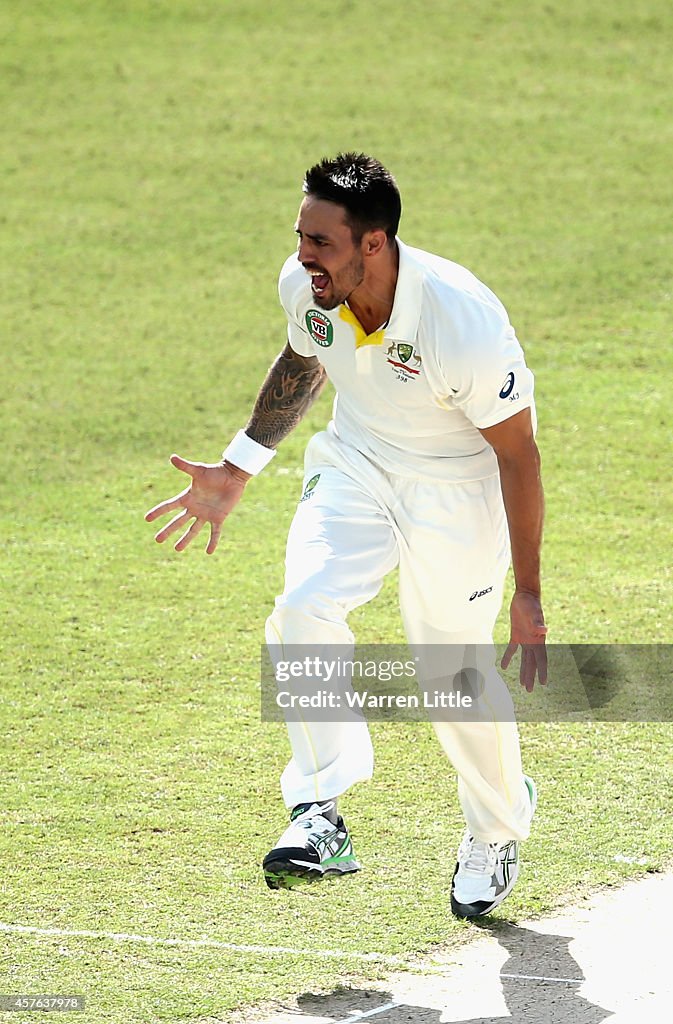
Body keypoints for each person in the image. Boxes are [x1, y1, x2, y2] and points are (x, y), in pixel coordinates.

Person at [145, 153, 547, 918]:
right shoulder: (308, 287)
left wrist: (526, 594)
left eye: (321, 242)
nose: (303, 255)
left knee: (449, 673)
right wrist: (237, 467)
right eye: (300, 235)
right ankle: (320, 811)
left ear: (373, 242)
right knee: (301, 606)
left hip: (457, 490)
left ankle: (495, 826)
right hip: (356, 462)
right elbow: (305, 357)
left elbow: (517, 455)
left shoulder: (460, 319)